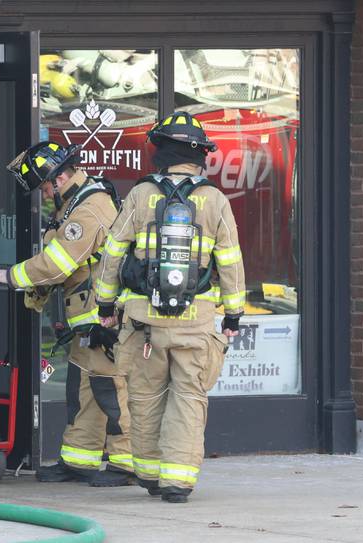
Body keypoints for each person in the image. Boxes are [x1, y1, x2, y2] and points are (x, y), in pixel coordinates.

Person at [94, 111, 245, 503]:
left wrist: (105, 305)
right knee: (189, 400)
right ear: (199, 156)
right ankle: (178, 481)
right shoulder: (214, 200)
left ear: (160, 151)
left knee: (145, 399)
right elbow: (230, 261)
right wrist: (233, 314)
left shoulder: (141, 194)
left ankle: (150, 474)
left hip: (145, 325)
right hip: (196, 325)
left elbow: (113, 252)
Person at [0, 141, 133, 487]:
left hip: (103, 318)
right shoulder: (73, 204)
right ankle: (79, 460)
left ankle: (126, 463)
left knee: (110, 390)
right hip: (87, 320)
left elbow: (58, 263)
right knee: (82, 392)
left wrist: (13, 276)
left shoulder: (89, 208)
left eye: (44, 186)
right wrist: (33, 293)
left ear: (60, 177)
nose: (44, 193)